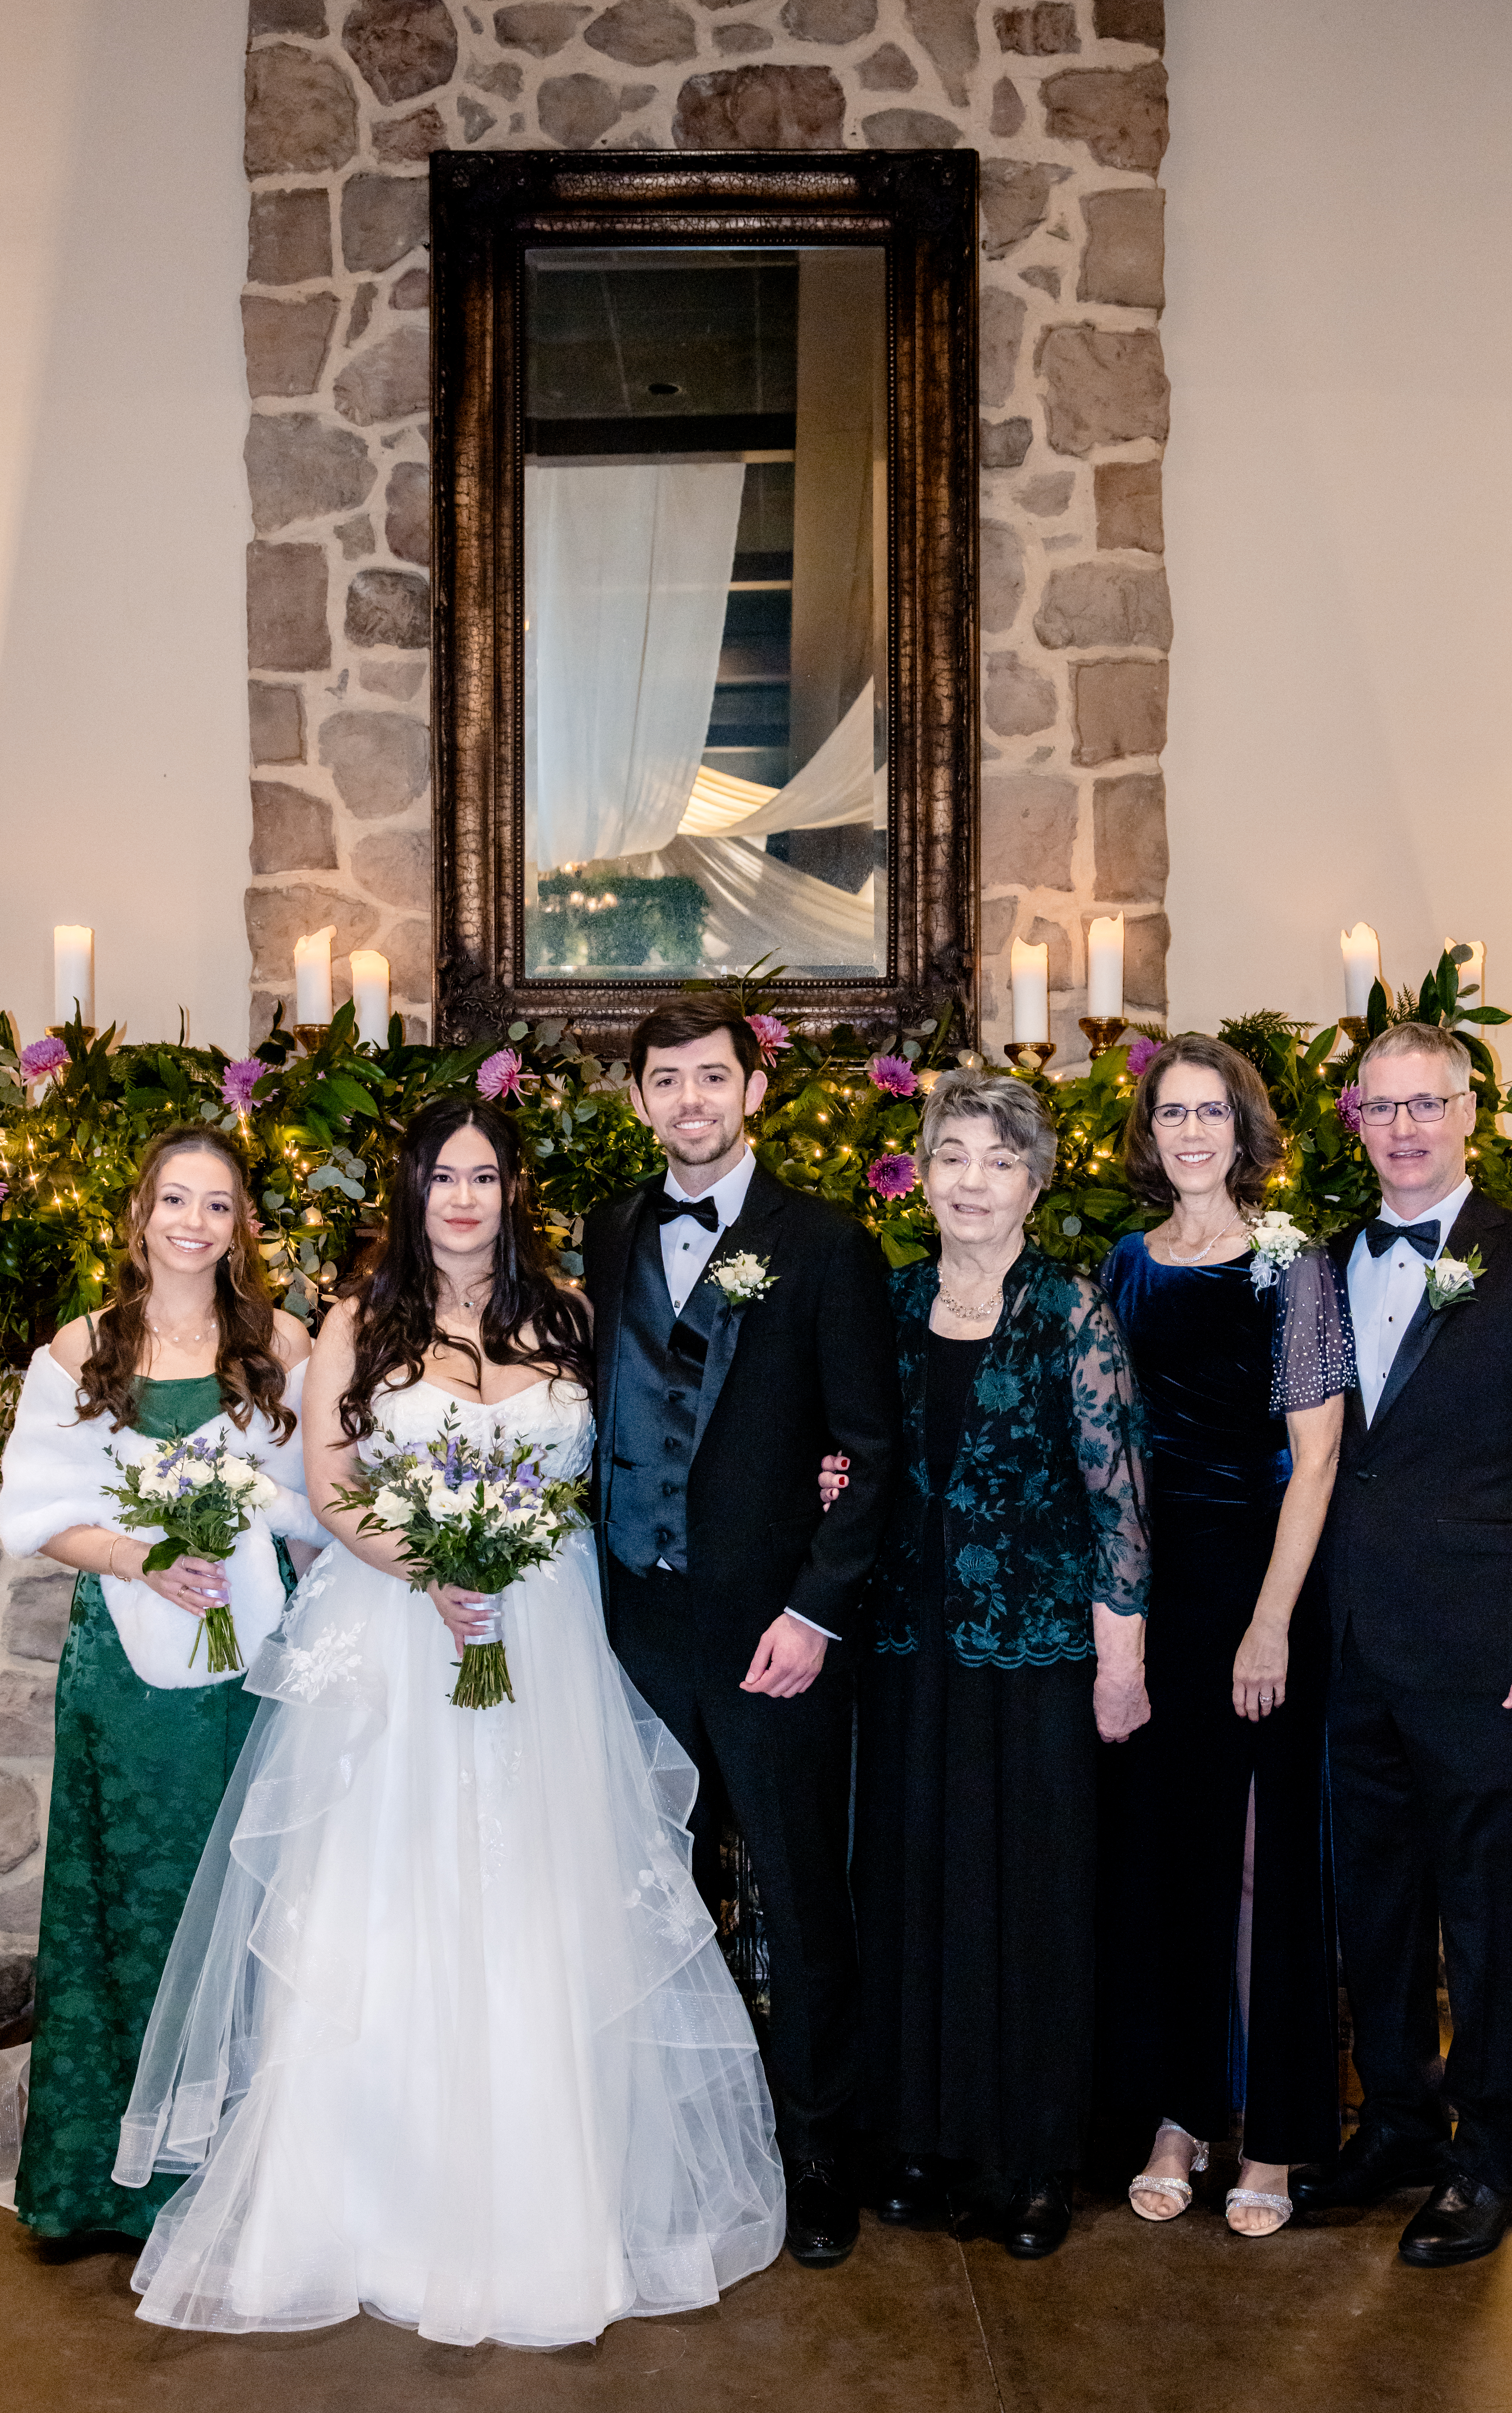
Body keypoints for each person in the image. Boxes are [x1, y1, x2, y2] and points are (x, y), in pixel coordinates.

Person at [114, 1096, 785, 2345]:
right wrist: (433, 1568)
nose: (463, 1198)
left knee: (542, 1890)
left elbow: (655, 1452)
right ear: (411, 1192)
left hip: (547, 1631)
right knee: (390, 1886)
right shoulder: (358, 1320)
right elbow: (327, 1482)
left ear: (509, 1187)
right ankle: (369, 2201)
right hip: (398, 1631)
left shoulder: (573, 1313)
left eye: (482, 1175)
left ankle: (543, 2203)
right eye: (441, 1177)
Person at [583, 996, 900, 2268]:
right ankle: (664, 2141)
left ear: (753, 1091)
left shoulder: (823, 1241)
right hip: (635, 1621)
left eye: (712, 1077)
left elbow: (872, 1455)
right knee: (651, 1895)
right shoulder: (608, 1228)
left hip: (773, 1632)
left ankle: (821, 2151)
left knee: (796, 1889)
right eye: (666, 1081)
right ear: (640, 1099)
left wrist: (814, 1610)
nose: (690, 1101)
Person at [1290, 1020, 1512, 2265]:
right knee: (1369, 1906)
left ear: (1466, 1110)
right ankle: (1397, 2122)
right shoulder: (1319, 1262)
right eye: (1383, 1107)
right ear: (1353, 1118)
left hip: (1489, 1653)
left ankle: (1485, 2162)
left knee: (1483, 1919)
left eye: (1427, 1103)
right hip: (1351, 1644)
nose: (1406, 1128)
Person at [849, 1070, 1150, 2260]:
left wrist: (1121, 1658)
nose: (971, 1181)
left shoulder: (1073, 1310)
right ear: (924, 1177)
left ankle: (1031, 2161)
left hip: (1033, 1654)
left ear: (1035, 1179)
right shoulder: (893, 1298)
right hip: (907, 1647)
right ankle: (920, 2140)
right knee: (916, 1885)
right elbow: (856, 1457)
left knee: (1028, 1893)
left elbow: (1120, 1497)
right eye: (952, 1157)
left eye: (997, 1160)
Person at [0, 1123, 318, 2241]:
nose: (194, 1222)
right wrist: (143, 1554)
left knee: (245, 1895)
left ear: (242, 1226)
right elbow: (31, 1510)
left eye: (218, 1204)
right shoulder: (79, 1346)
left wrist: (248, 1517)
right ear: (139, 1215)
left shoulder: (281, 1339)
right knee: (127, 1897)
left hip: (250, 1665)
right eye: (175, 1200)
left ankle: (244, 2182)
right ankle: (113, 2184)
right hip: (123, 1675)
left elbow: (321, 1497)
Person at [1099, 1034, 1354, 2236]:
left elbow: (1315, 1459)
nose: (1191, 1131)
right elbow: (1109, 1451)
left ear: (1242, 1128)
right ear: (1149, 1135)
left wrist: (1266, 1626)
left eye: (1210, 1112)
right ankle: (1177, 2113)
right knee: (1169, 1856)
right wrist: (1123, 1614)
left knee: (1263, 1860)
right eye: (1171, 1113)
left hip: (1263, 1590)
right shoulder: (1125, 1264)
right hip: (1156, 1591)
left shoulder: (1292, 1264)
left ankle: (1281, 2136)